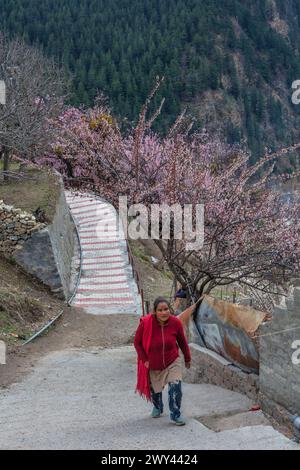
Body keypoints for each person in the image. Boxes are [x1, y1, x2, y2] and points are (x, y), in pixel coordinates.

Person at [134, 296, 191, 426]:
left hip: (172, 361)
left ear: (169, 309)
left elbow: (182, 342)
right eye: (160, 310)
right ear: (154, 311)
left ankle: (175, 414)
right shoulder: (146, 323)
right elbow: (137, 343)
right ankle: (158, 406)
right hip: (153, 363)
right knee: (156, 391)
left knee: (176, 387)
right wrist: (145, 360)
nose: (164, 312)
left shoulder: (175, 323)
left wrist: (187, 358)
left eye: (166, 309)